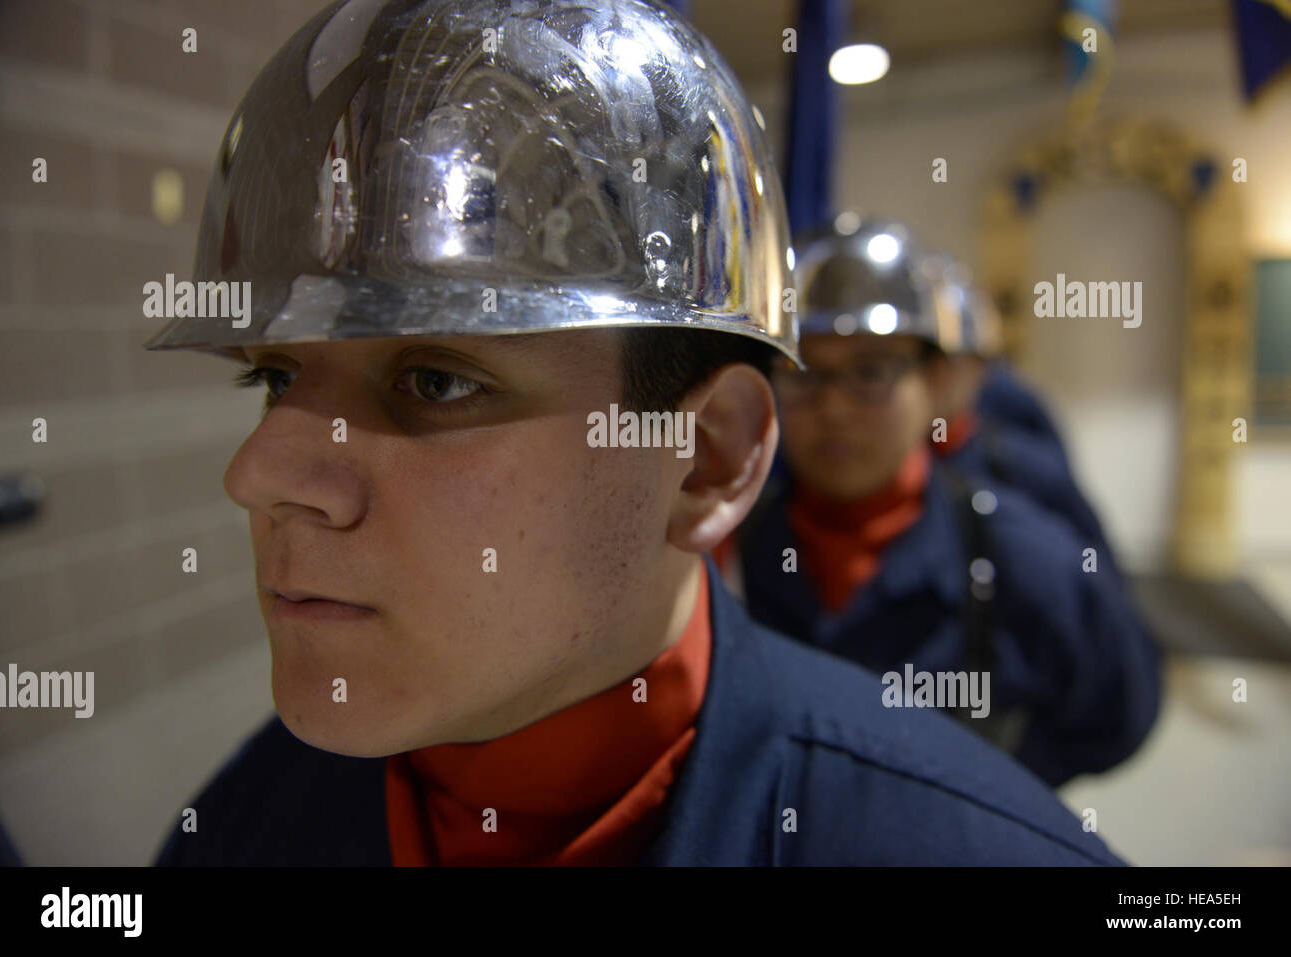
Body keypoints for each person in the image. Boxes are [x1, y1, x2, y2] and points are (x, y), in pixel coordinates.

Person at [145, 0, 1122, 865]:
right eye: (274, 378)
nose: (258, 471)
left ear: (707, 461)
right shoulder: (244, 825)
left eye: (435, 381)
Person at [720, 214, 1160, 788]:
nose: (833, 408)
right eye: (803, 374)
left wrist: (995, 793)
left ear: (935, 382)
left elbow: (1120, 715)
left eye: (870, 372)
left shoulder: (1023, 557)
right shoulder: (731, 550)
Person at [925, 259, 1120, 572]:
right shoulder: (864, 468)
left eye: (945, 361)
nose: (930, 379)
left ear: (978, 366)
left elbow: (1092, 579)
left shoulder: (1024, 462)